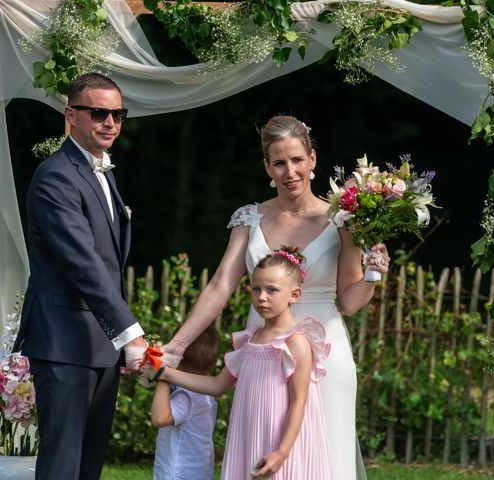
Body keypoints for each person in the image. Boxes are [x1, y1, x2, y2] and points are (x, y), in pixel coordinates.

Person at [162, 115, 389, 479]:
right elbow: (221, 284)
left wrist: (375, 274)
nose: (290, 171)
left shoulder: (343, 220)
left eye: (297, 160)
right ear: (267, 166)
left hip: (324, 352)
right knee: (261, 449)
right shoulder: (249, 219)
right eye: (279, 162)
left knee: (325, 459)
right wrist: (175, 347)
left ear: (313, 159)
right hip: (262, 352)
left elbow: (349, 301)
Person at [12, 73, 147, 480]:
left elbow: (108, 265)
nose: (110, 122)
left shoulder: (102, 172)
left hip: (100, 345)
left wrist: (118, 341)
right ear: (71, 115)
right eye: (99, 113)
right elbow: (83, 264)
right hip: (63, 343)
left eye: (118, 114)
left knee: (89, 466)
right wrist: (130, 333)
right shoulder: (55, 175)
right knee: (63, 465)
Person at [147, 247, 332, 479]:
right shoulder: (249, 340)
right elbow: (217, 385)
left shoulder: (296, 342)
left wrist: (282, 452)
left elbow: (299, 402)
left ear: (294, 295)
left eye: (272, 290)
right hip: (249, 429)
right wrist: (164, 373)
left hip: (279, 435)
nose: (261, 297)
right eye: (256, 289)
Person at [151, 324, 219, 480]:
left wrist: (163, 377)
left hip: (178, 472)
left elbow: (160, 418)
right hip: (199, 470)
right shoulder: (208, 394)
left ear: (177, 359)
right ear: (215, 362)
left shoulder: (185, 396)